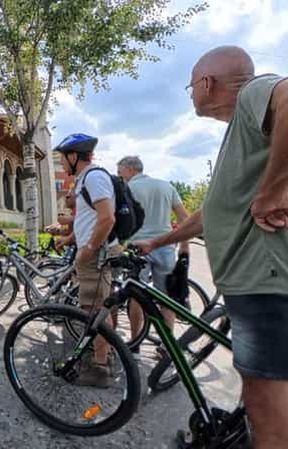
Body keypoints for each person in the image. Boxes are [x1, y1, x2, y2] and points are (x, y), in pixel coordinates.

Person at [134, 46, 287, 448]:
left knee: (270, 411)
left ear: (206, 83)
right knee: (257, 391)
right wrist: (160, 240)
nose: (191, 95)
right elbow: (210, 214)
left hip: (264, 282)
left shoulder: (255, 92)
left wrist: (275, 190)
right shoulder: (242, 130)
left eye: (190, 87)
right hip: (252, 282)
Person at [54, 133, 120, 387]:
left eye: (62, 158)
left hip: (97, 255)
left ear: (74, 156)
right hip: (94, 253)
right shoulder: (86, 180)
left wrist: (89, 248)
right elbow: (89, 220)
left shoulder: (94, 178)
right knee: (99, 309)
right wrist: (70, 239)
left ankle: (100, 367)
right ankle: (105, 355)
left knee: (94, 312)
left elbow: (107, 218)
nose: (61, 163)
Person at [117, 156, 190, 358]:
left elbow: (120, 220)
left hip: (137, 248)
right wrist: (184, 245)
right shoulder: (166, 186)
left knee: (136, 295)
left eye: (120, 171)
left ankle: (135, 341)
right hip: (165, 246)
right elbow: (184, 217)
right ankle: (167, 346)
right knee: (166, 297)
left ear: (130, 169)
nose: (120, 175)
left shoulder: (128, 189)